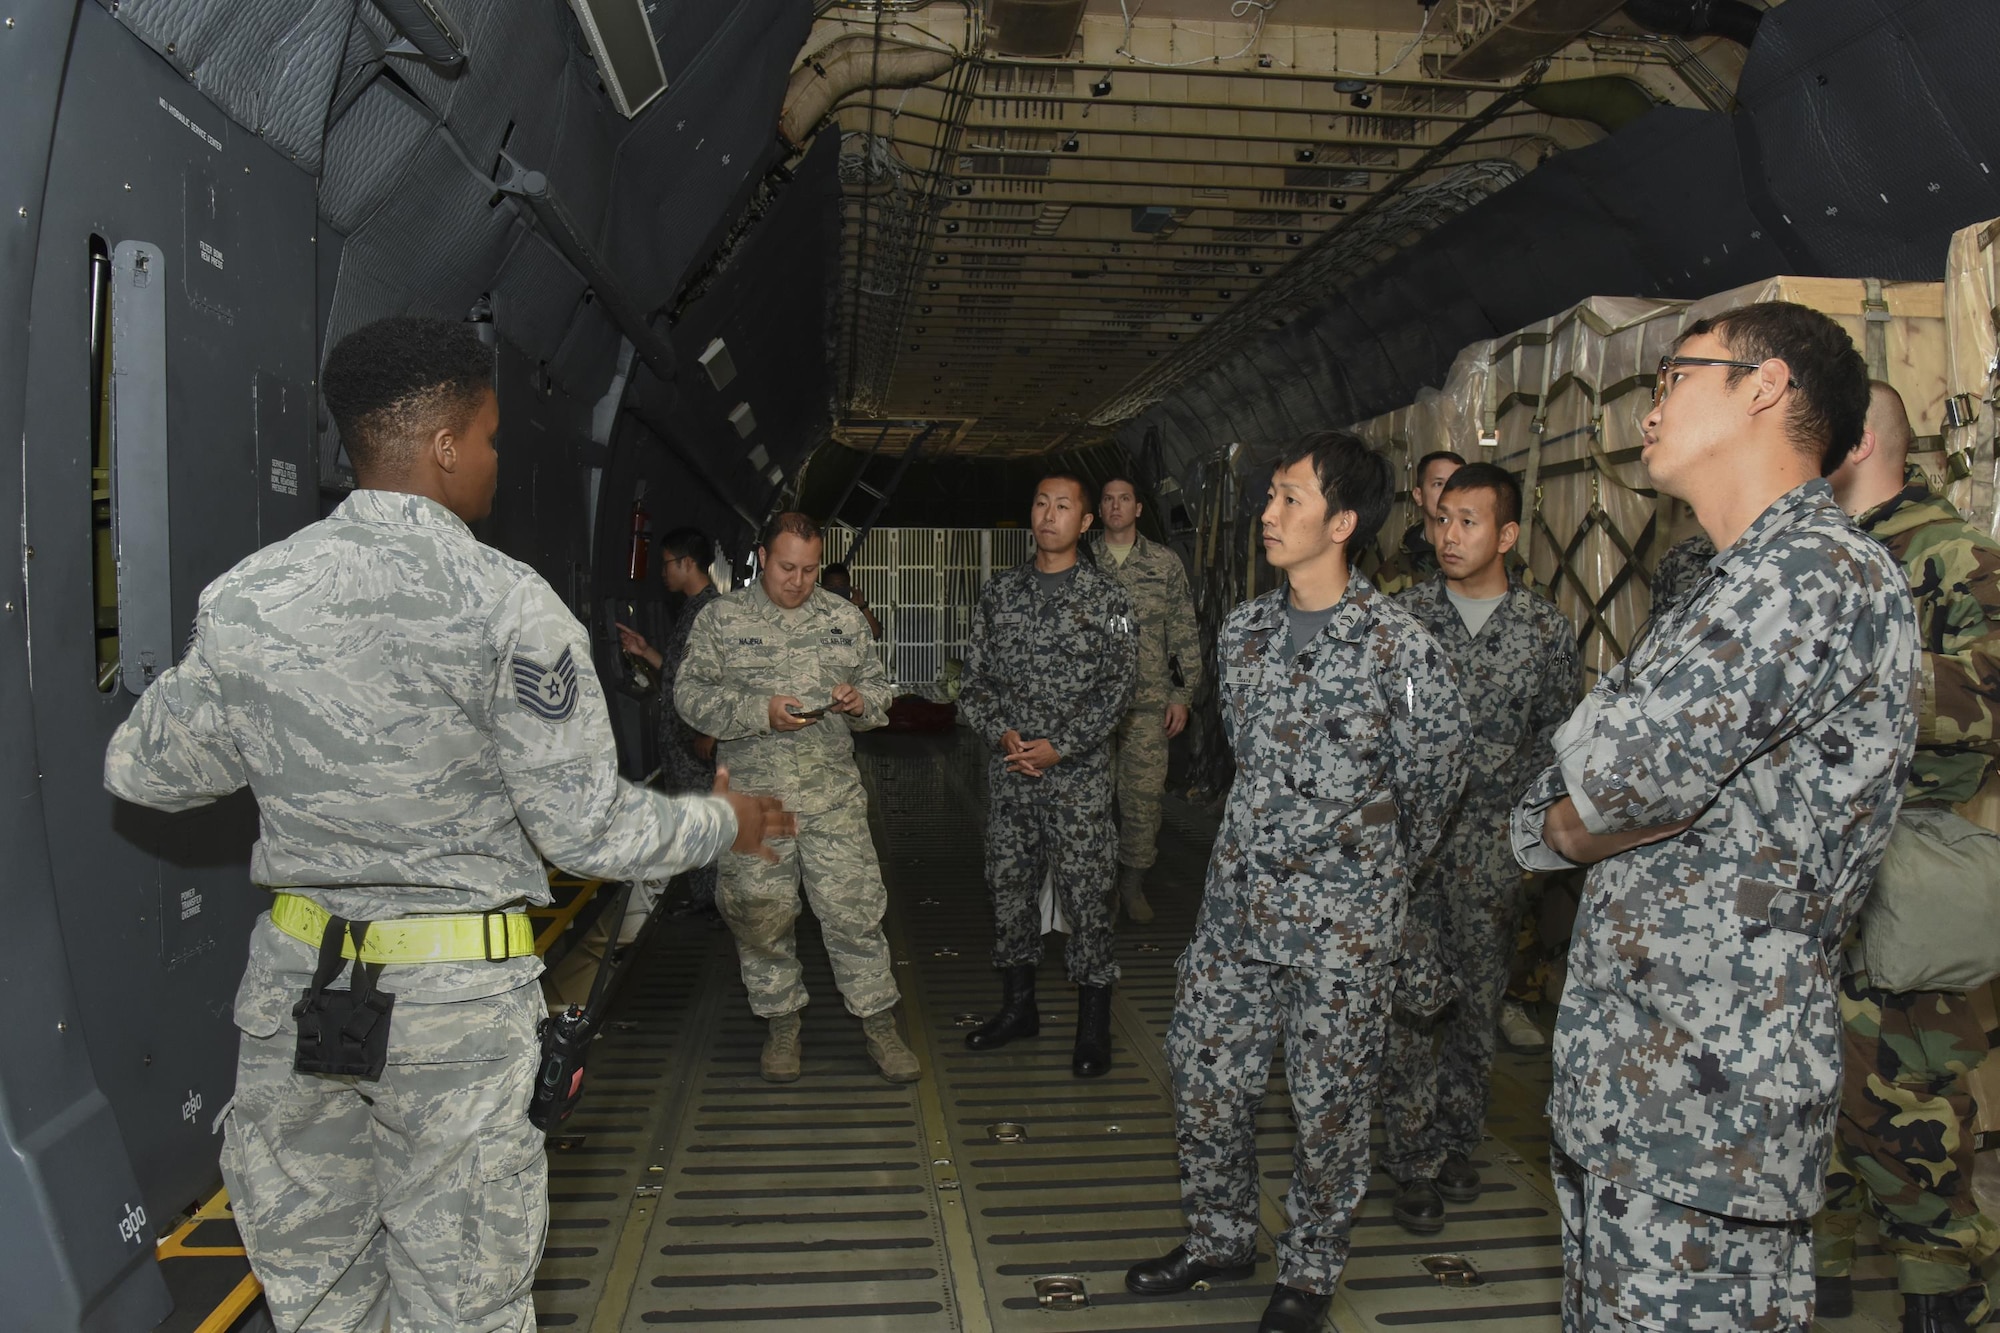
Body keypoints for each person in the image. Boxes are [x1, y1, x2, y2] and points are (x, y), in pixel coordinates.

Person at [100, 316, 792, 1332]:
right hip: (452, 1016)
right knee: (465, 1305)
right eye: (494, 438)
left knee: (324, 1300)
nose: (496, 460)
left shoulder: (252, 596)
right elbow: (585, 830)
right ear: (444, 445)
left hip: (300, 999)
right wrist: (720, 822)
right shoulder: (509, 607)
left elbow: (144, 770)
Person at [1511, 302, 1919, 1330]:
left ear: (1764, 387)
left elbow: (1606, 771)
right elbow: (1600, 783)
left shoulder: (1809, 574)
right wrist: (1583, 802)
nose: (1649, 408)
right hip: (1643, 1101)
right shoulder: (1725, 582)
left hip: (1703, 1110)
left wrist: (1574, 815)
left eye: (1674, 377)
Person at [1126, 433, 1466, 1333]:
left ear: (1343, 522)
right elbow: (1246, 763)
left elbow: (1434, 782)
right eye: (1269, 496)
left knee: (1328, 1104)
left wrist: (1369, 874)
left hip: (1344, 929)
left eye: (1288, 500)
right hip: (1238, 910)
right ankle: (1221, 1233)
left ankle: (1310, 1271)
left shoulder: (1401, 648)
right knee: (1203, 1074)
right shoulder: (1241, 632)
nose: (1267, 514)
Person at [1815, 381, 2000, 1331]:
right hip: (1816, 861)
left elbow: (1985, 692)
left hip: (1901, 851)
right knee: (1814, 1078)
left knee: (1903, 1085)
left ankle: (1939, 1280)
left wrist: (1857, 686)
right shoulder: (1816, 551)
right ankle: (1827, 1255)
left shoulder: (1946, 549)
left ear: (1854, 440)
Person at [1380, 462, 1581, 1235]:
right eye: (1442, 519)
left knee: (1476, 996)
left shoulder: (1543, 630)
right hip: (1411, 846)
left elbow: (1555, 739)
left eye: (1468, 522)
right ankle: (1412, 1157)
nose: (1450, 535)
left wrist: (1524, 840)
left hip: (1494, 850)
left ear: (1504, 535)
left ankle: (1458, 1137)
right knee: (1413, 1000)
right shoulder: (1403, 622)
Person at [674, 512, 921, 1085]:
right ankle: (781, 1025)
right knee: (761, 917)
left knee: (855, 915)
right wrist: (759, 712)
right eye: (788, 567)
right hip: (755, 802)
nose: (799, 581)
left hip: (832, 797)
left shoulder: (844, 618)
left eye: (810, 570)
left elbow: (881, 689)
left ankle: (880, 1027)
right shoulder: (722, 619)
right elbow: (689, 697)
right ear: (762, 556)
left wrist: (862, 703)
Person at [957, 475, 1138, 1077]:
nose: (1049, 515)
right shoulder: (999, 594)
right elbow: (974, 682)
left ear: (1085, 523)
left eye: (1064, 506)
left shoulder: (1110, 601)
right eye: (1040, 503)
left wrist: (1063, 746)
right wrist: (1000, 731)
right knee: (1009, 890)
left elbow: (1118, 689)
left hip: (1078, 781)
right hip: (1012, 776)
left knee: (1087, 897)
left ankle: (1092, 1027)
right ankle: (1019, 1008)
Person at [1093, 474, 1203, 924]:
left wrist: (1183, 693)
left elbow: (1181, 629)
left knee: (1142, 800)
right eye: (1108, 500)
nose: (1116, 507)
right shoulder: (1081, 560)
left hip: (1147, 700)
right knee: (1091, 801)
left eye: (1125, 499)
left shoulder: (1163, 562)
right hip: (1090, 707)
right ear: (1098, 510)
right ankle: (1097, 888)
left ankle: (1132, 884)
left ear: (1138, 508)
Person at [1369, 449, 1463, 594]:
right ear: (1418, 496)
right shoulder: (1394, 572)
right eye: (1438, 484)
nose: (1448, 492)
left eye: (1456, 483)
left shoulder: (1491, 559)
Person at [819, 562, 883, 639]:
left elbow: (875, 633)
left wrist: (862, 606)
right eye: (831, 586)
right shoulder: (814, 611)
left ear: (848, 587)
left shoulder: (854, 612)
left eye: (841, 586)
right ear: (822, 588)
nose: (836, 590)